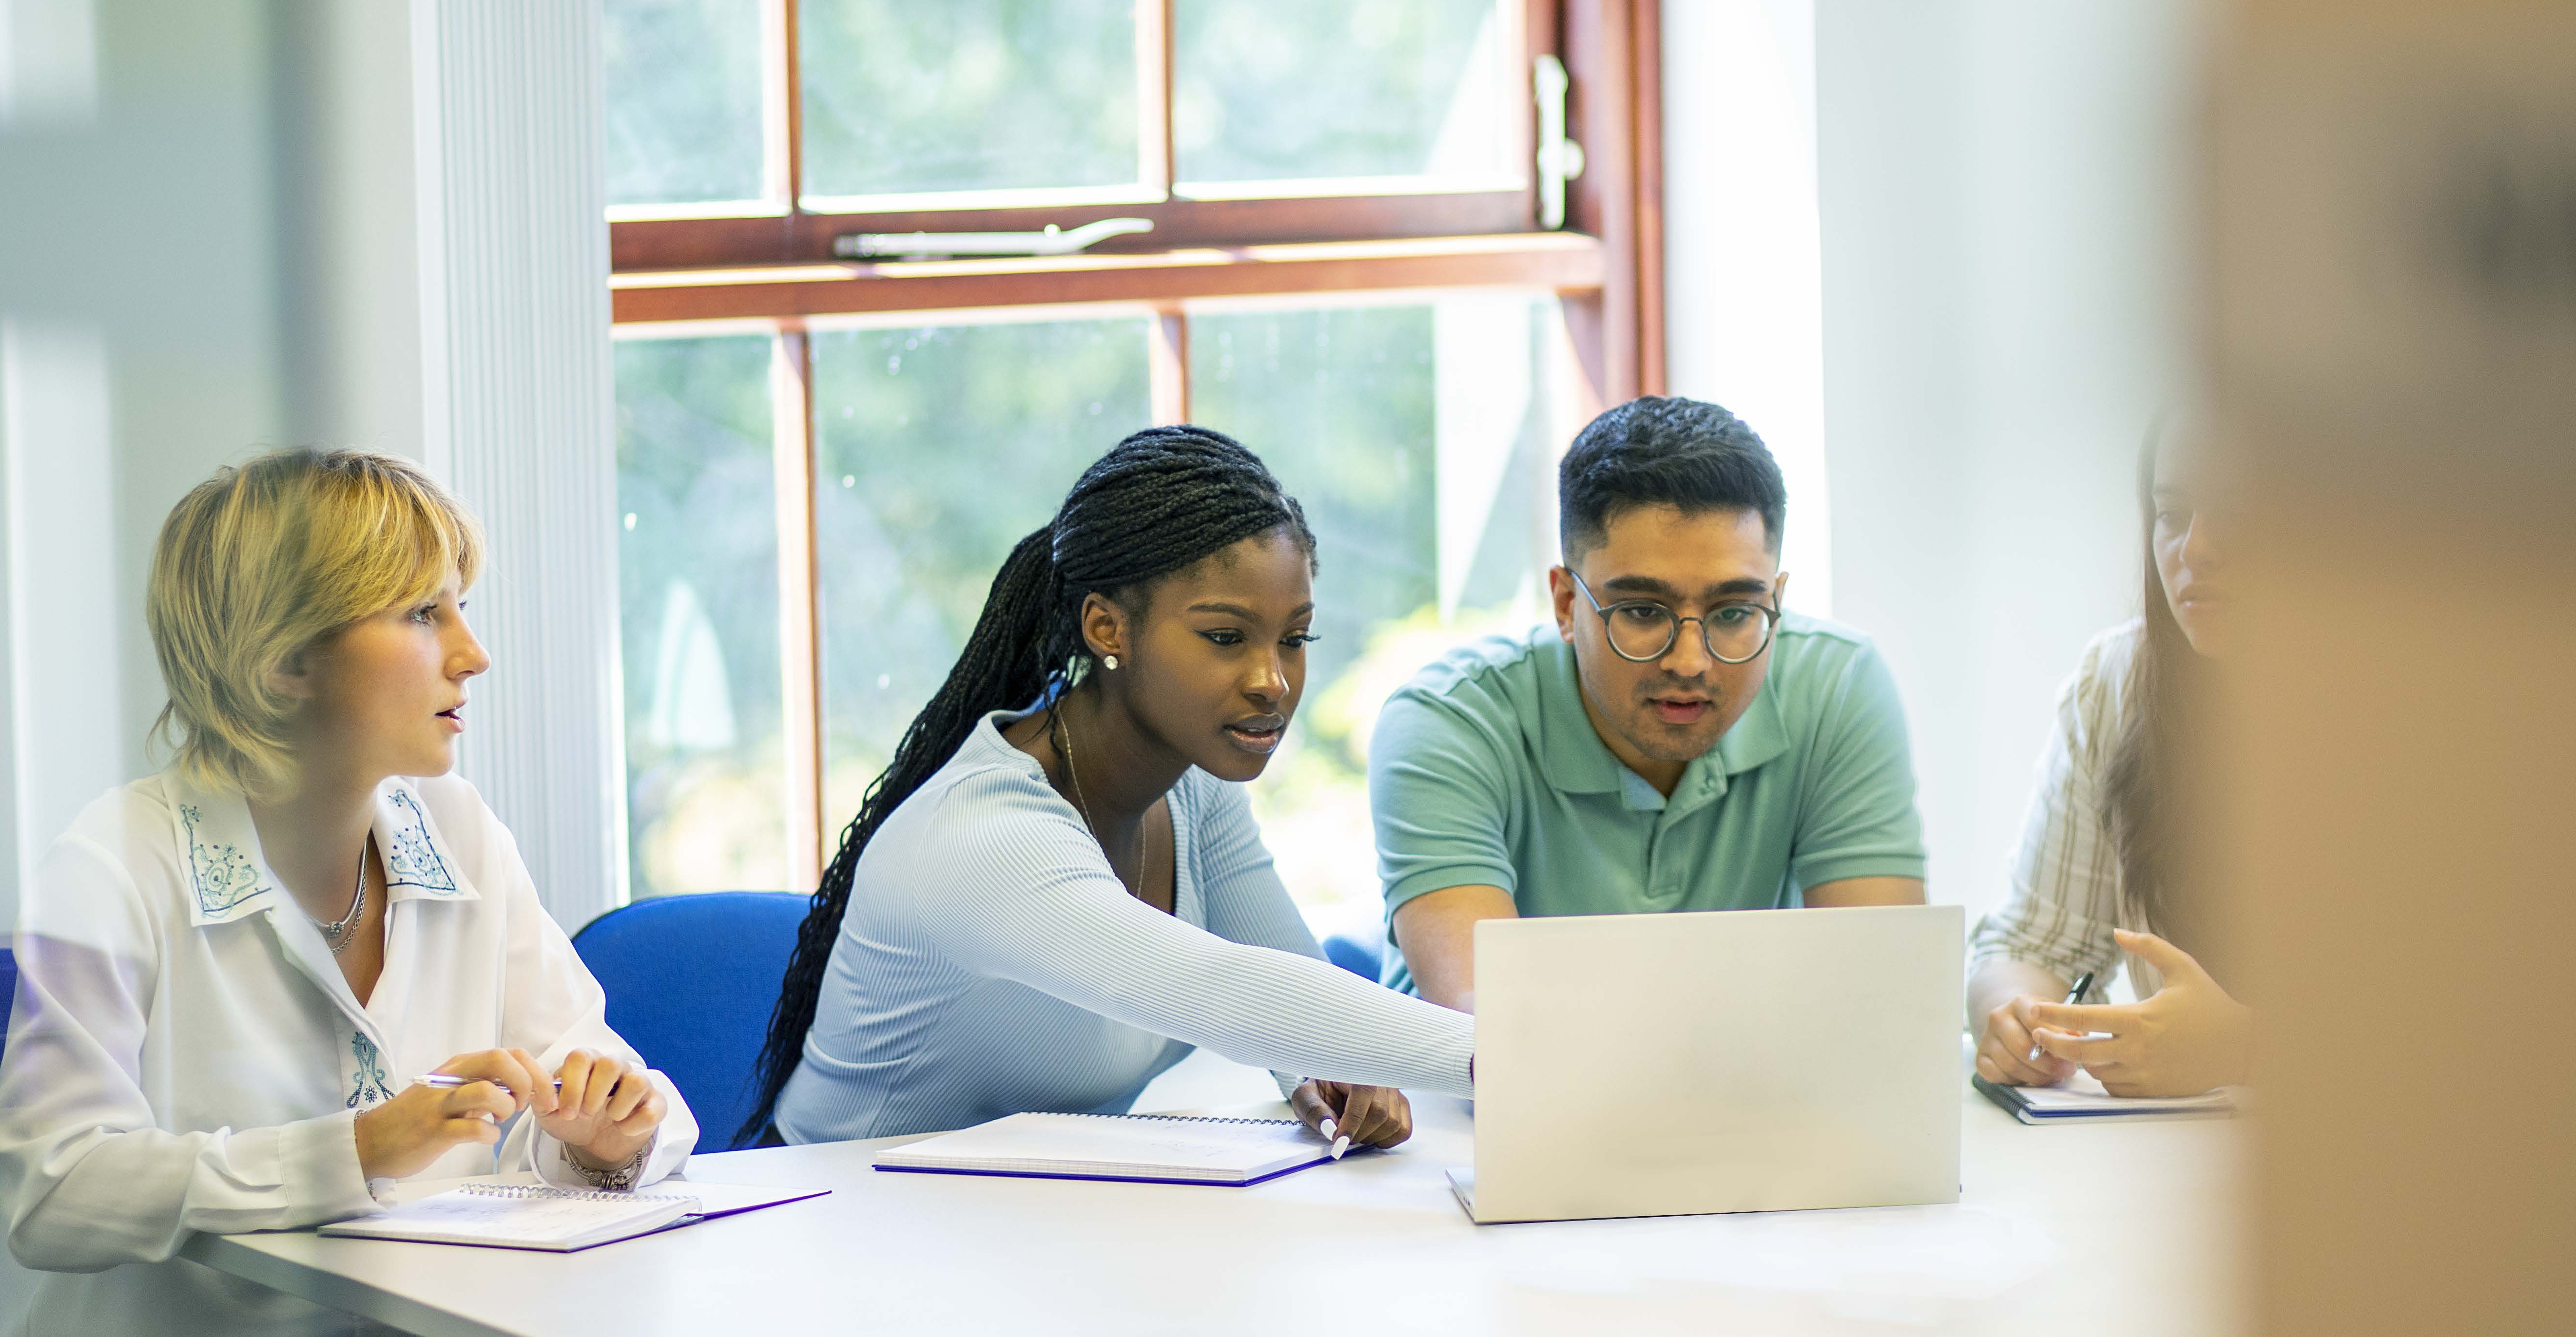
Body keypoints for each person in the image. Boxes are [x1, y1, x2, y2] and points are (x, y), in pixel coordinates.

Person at [0, 450, 697, 1337]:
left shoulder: (460, 827)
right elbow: (55, 1193)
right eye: (421, 613)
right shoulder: (114, 860)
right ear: (286, 661)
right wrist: (359, 1147)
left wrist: (606, 1134)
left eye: (460, 608)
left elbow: (601, 1089)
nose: (472, 655)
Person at [753, 425, 1475, 1148]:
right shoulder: (988, 838)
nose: (1273, 682)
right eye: (1226, 638)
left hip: (1020, 1219)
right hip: (847, 1221)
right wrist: (1513, 1059)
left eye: (1295, 638)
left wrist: (1323, 1067)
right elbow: (1221, 989)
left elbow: (1289, 982)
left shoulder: (1194, 792)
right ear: (1107, 628)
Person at [1371, 396, 1928, 1010]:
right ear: (1565, 603)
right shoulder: (1447, 723)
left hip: (1749, 1098)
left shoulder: (1837, 685)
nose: (1689, 660)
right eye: (1641, 610)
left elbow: (1880, 1001)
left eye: (1736, 612)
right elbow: (1498, 1038)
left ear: (1777, 597)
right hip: (1467, 1106)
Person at [1968, 418, 2254, 1098]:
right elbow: (2033, 948)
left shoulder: (2436, 706)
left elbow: (2472, 1017)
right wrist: (2019, 1020)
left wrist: (2247, 1049)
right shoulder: (2119, 680)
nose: (2198, 547)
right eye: (2172, 514)